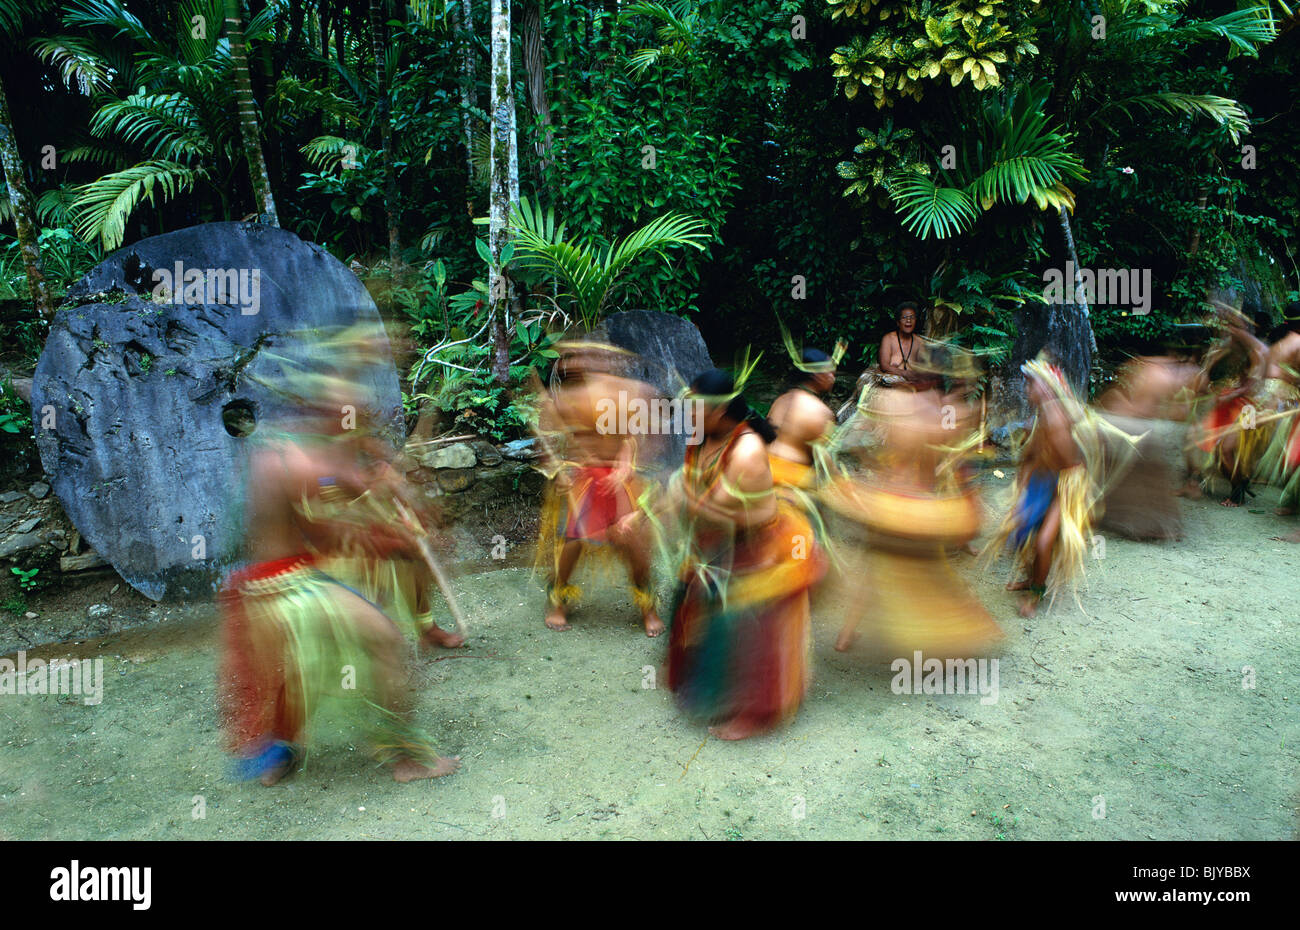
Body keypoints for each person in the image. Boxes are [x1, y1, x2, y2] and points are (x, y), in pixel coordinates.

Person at [218, 368, 460, 786]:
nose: (356, 419)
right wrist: (396, 541)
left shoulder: (290, 450)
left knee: (292, 672)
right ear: (329, 414)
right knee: (385, 641)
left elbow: (344, 489)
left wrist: (384, 495)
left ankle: (277, 757)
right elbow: (330, 536)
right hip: (288, 587)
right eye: (349, 412)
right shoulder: (302, 461)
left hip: (262, 588)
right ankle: (406, 759)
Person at [628, 368, 822, 740]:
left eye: (695, 407)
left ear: (718, 412)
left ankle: (753, 714)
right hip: (721, 541)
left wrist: (675, 497)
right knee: (690, 592)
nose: (688, 413)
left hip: (760, 545)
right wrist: (649, 509)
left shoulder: (746, 451)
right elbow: (689, 492)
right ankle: (700, 678)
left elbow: (711, 509)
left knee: (741, 618)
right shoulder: (703, 436)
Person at [533, 340, 664, 636]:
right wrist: (560, 472)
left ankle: (648, 607)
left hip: (621, 480)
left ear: (606, 359)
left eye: (586, 356)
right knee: (572, 542)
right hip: (585, 479)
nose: (575, 363)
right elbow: (549, 444)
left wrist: (629, 457)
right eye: (571, 357)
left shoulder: (631, 391)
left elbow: (647, 432)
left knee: (634, 543)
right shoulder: (564, 399)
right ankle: (558, 599)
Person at [987, 356, 1099, 618]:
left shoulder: (1061, 417)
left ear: (1047, 388)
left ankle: (1036, 591)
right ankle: (1030, 577)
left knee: (1044, 541)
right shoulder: (1036, 420)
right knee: (1021, 530)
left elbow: (1072, 461)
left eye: (1031, 385)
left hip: (1066, 485)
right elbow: (1030, 458)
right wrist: (1022, 492)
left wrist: (1071, 496)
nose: (1026, 390)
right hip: (1042, 479)